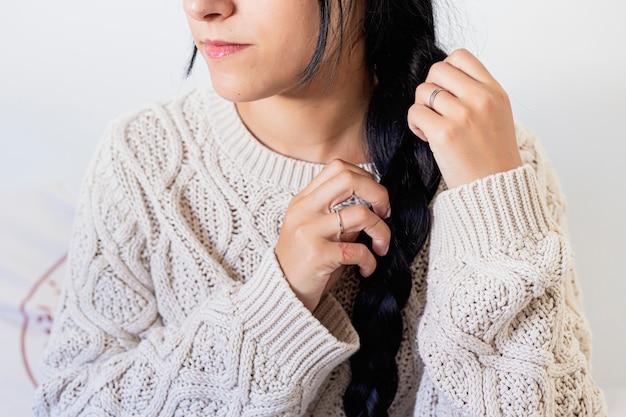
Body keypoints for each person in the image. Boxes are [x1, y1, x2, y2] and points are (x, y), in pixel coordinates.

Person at [33, 0, 607, 415]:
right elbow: (68, 404)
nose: (202, 7)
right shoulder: (143, 159)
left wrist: (495, 211)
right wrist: (276, 304)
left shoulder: (493, 161)